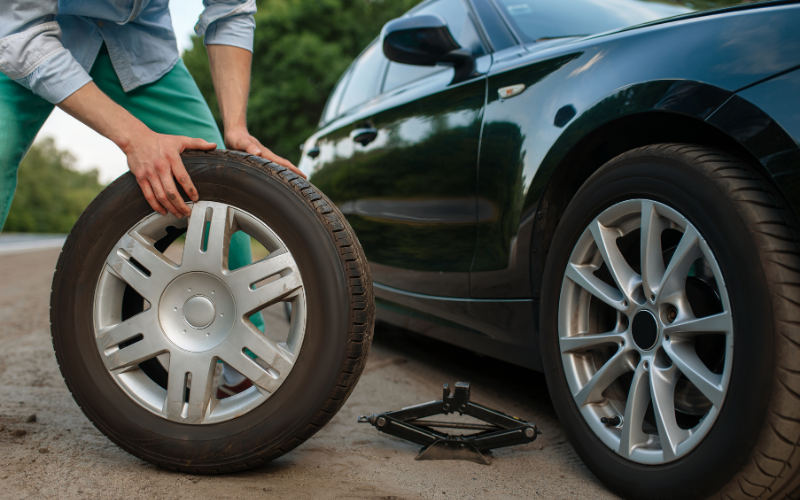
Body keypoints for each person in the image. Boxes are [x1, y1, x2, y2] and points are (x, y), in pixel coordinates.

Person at [0, 0, 305, 397]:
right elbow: (21, 35)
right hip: (24, 34)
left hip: (139, 44)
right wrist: (134, 138)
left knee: (220, 179)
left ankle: (238, 357)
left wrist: (236, 127)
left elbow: (230, 11)